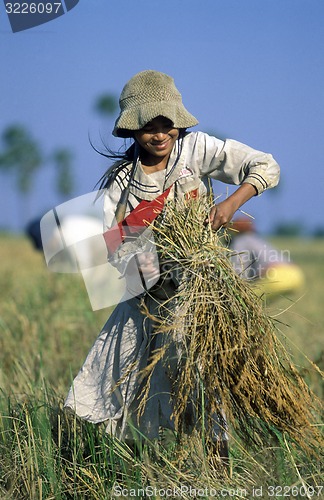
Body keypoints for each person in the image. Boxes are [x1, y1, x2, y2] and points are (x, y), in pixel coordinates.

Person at [64, 70, 280, 465]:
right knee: (108, 387)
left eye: (167, 125)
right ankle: (126, 464)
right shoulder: (122, 183)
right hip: (146, 298)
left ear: (178, 123)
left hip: (200, 295)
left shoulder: (195, 151)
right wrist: (135, 257)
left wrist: (231, 204)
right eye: (148, 127)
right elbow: (106, 247)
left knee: (201, 380)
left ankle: (219, 468)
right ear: (131, 130)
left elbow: (265, 165)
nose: (160, 135)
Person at [229, 217, 304, 300]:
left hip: (277, 276)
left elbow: (240, 269)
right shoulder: (258, 240)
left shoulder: (241, 240)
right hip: (296, 274)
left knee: (245, 302)